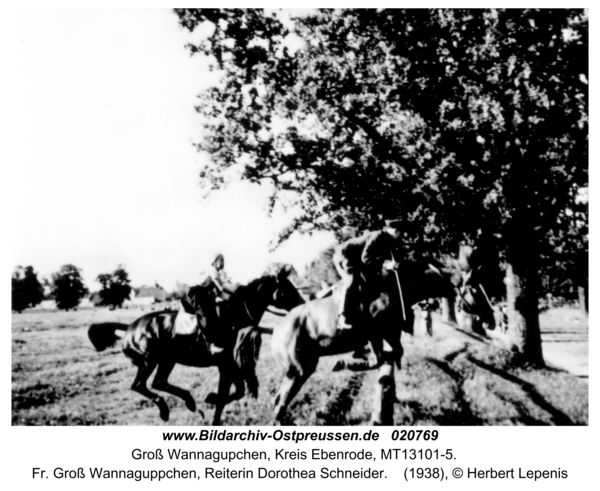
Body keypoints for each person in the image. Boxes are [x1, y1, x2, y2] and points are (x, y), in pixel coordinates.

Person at [333, 220, 403, 329]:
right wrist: (386, 264)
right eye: (401, 233)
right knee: (352, 281)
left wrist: (393, 264)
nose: (402, 236)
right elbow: (365, 259)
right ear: (395, 231)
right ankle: (342, 317)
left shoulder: (389, 240)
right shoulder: (377, 236)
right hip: (345, 256)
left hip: (357, 260)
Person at [193, 253, 234, 356]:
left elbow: (220, 293)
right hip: (197, 295)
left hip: (205, 295)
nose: (223, 263)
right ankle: (211, 345)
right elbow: (221, 288)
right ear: (215, 261)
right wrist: (235, 293)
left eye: (224, 260)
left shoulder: (216, 272)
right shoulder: (212, 271)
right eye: (221, 260)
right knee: (206, 317)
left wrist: (231, 298)